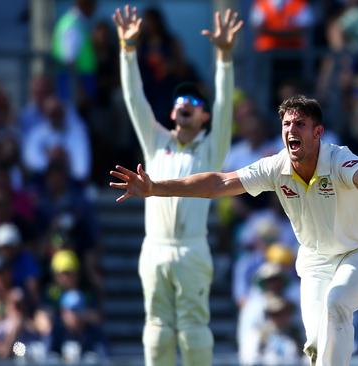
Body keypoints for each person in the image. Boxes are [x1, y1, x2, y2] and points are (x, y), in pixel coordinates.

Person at [109, 95, 358, 365]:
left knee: (337, 303)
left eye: (300, 124)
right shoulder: (276, 166)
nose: (290, 130)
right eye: (286, 124)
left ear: (318, 132)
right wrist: (156, 187)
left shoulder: (338, 159)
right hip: (315, 261)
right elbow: (220, 182)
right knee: (314, 345)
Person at [112, 5, 242, 366]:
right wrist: (127, 49)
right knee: (156, 330)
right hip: (154, 249)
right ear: (172, 113)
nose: (187, 104)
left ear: (203, 116)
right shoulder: (156, 143)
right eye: (181, 101)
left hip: (192, 250)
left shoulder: (212, 149)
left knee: (193, 329)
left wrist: (225, 57)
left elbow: (225, 108)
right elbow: (134, 99)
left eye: (196, 102)